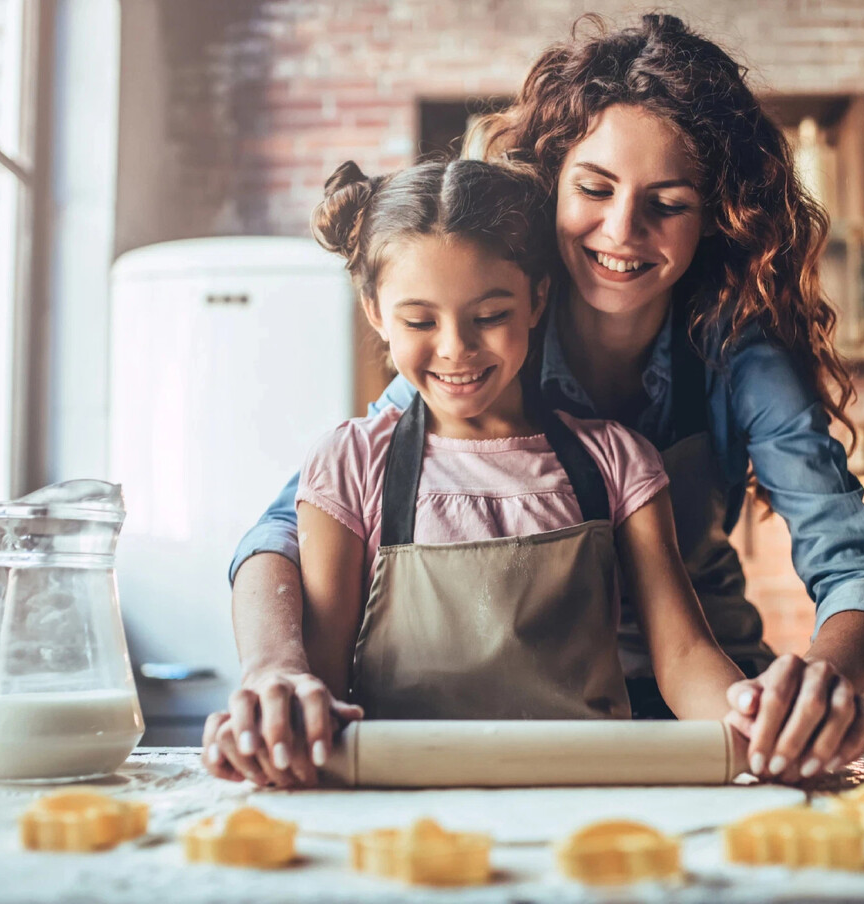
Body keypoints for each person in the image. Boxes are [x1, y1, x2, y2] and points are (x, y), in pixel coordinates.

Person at [210, 13, 864, 788]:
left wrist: (819, 684)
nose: (623, 229)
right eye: (594, 188)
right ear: (551, 185)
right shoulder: (485, 341)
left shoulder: (734, 356)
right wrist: (275, 671)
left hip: (702, 720)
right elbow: (286, 530)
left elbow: (853, 565)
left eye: (669, 203)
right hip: (499, 731)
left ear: (717, 215)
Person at [203, 156, 746, 786]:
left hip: (584, 796)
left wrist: (751, 721)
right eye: (419, 321)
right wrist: (281, 722)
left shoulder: (617, 461)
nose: (455, 347)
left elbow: (684, 657)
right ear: (375, 309)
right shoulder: (350, 463)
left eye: (489, 316)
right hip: (397, 804)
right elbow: (318, 674)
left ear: (537, 298)